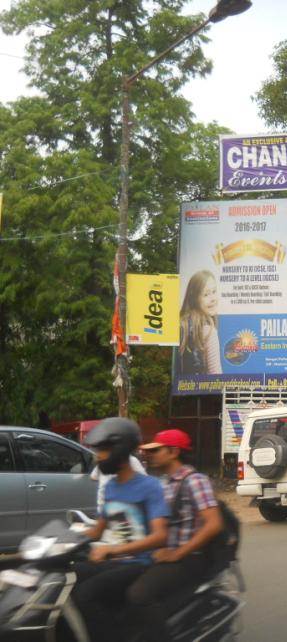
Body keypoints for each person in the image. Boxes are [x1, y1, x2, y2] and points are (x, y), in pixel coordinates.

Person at [72, 418, 169, 642]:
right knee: (64, 577)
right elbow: (97, 532)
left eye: (103, 451)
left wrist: (113, 550)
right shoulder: (111, 487)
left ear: (120, 451)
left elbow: (160, 536)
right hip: (114, 560)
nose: (98, 457)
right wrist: (57, 540)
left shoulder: (150, 486)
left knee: (84, 595)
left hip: (140, 563)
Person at [131, 429, 223, 642]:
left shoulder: (195, 481)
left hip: (189, 558)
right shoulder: (164, 484)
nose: (150, 455)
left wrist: (178, 553)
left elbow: (213, 524)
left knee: (138, 595)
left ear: (173, 452)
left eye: (156, 450)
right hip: (165, 555)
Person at [178, 270, 221, 376]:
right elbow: (215, 377)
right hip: (202, 391)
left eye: (214, 291)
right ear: (195, 298)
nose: (213, 299)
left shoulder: (181, 323)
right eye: (206, 294)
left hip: (181, 389)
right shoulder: (208, 330)